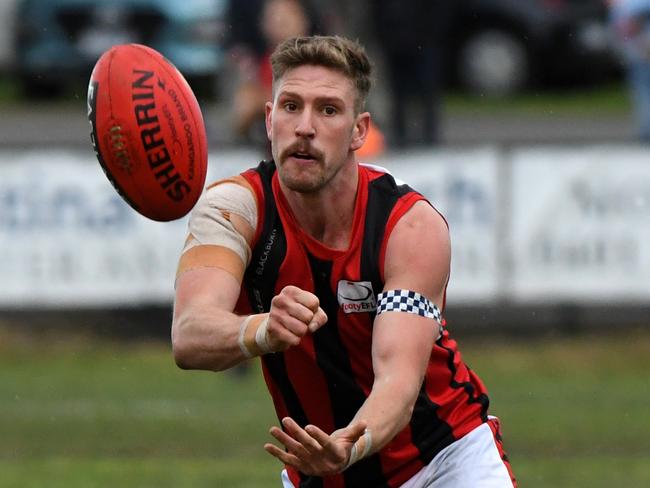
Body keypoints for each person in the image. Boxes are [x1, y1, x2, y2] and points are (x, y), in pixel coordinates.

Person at [172, 35, 516, 487]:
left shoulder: (408, 226)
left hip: (444, 461)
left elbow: (397, 379)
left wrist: (349, 445)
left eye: (328, 110)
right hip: (319, 475)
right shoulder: (233, 209)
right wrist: (261, 329)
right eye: (291, 107)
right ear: (270, 119)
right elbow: (189, 334)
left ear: (359, 130)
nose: (305, 127)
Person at [371, 0, 454, 147]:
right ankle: (400, 132)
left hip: (425, 40)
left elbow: (441, 10)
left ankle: (429, 133)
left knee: (427, 88)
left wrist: (431, 33)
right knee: (398, 91)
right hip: (396, 42)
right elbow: (379, 10)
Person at [608, 0, 650, 142]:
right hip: (637, 51)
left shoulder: (633, 5)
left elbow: (631, 21)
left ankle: (647, 130)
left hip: (642, 50)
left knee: (643, 91)